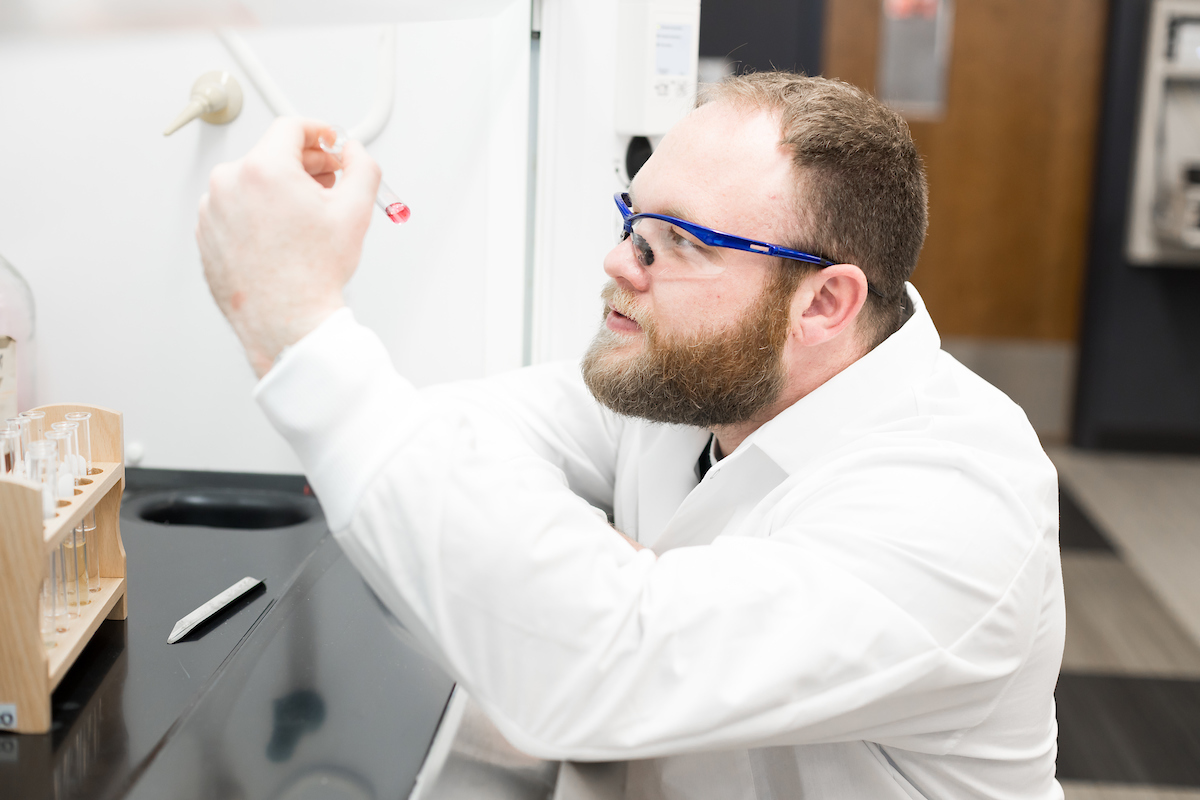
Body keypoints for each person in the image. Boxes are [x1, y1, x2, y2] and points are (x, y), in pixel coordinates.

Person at [196, 73, 1064, 799]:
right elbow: (455, 435)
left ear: (824, 304)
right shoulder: (688, 384)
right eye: (631, 222)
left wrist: (298, 324)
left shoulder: (960, 494)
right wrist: (611, 581)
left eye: (678, 242)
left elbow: (591, 670)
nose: (620, 263)